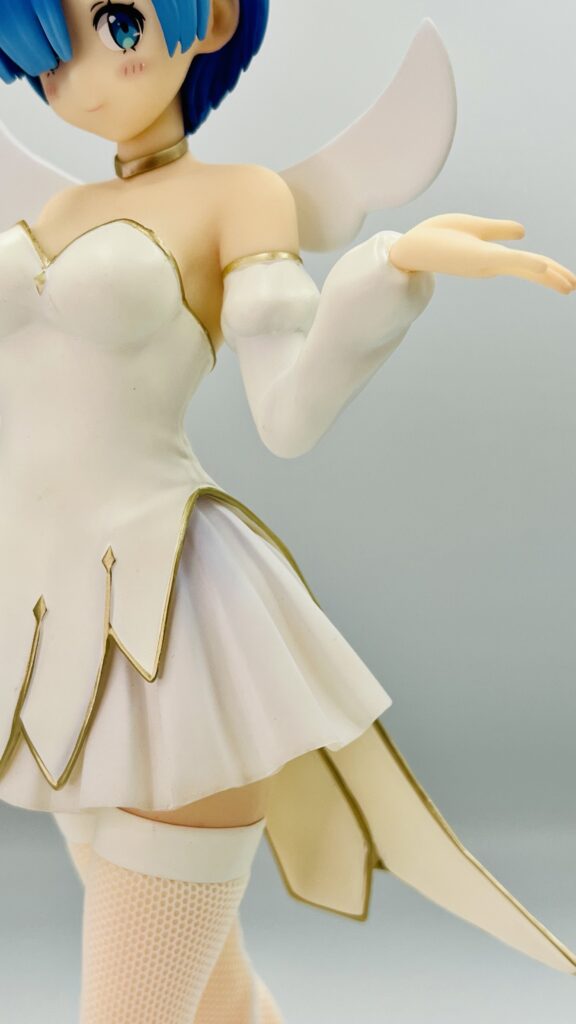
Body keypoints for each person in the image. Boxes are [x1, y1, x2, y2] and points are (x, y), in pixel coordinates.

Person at [0, 1, 574, 1020]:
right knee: (219, 1006)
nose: (76, 75)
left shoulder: (241, 197)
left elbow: (289, 415)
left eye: (117, 23)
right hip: (49, 637)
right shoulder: (52, 211)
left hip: (164, 628)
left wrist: (388, 272)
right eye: (44, 53)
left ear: (213, 18)